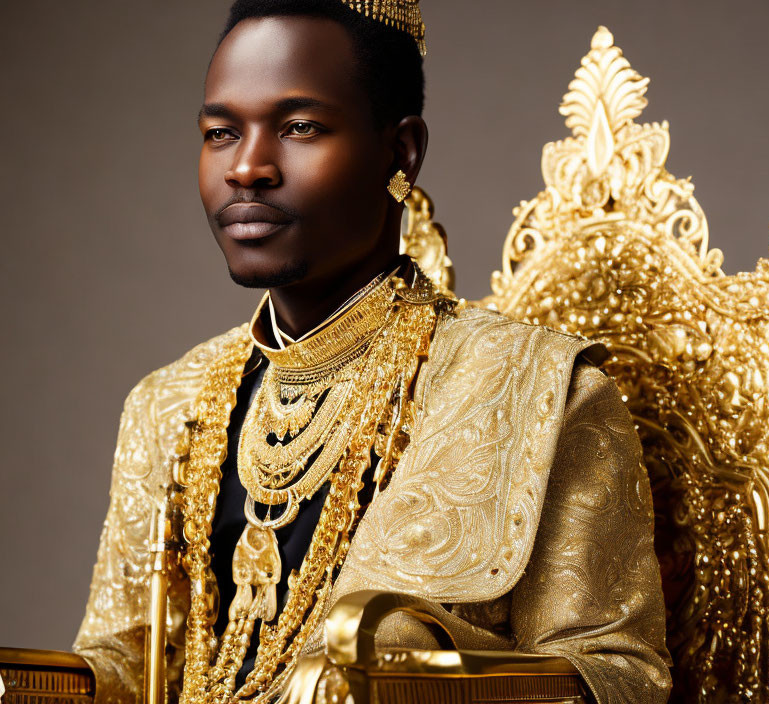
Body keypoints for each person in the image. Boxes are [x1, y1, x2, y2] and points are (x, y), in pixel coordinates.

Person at [73, 1, 671, 702]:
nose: (248, 167)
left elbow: (620, 679)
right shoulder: (168, 405)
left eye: (299, 127)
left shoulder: (536, 387)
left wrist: (395, 679)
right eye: (220, 132)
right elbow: (119, 665)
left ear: (401, 151)